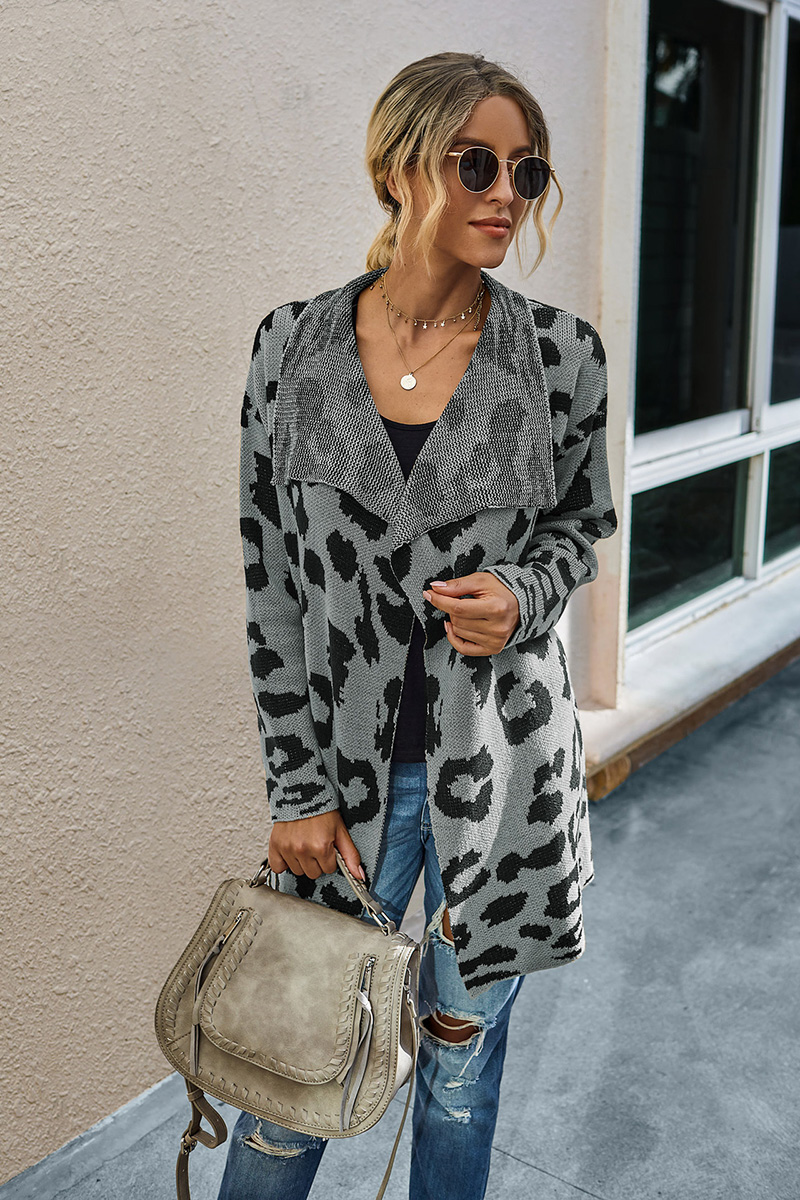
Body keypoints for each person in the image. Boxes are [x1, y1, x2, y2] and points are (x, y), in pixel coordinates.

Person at [217, 49, 617, 1200]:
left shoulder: (559, 359)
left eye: (525, 172)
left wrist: (524, 595)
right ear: (398, 167)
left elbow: (579, 530)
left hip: (502, 784)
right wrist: (295, 787)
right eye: (474, 163)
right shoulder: (290, 346)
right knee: (287, 1079)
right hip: (346, 793)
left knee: (458, 1076)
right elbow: (269, 581)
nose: (506, 194)